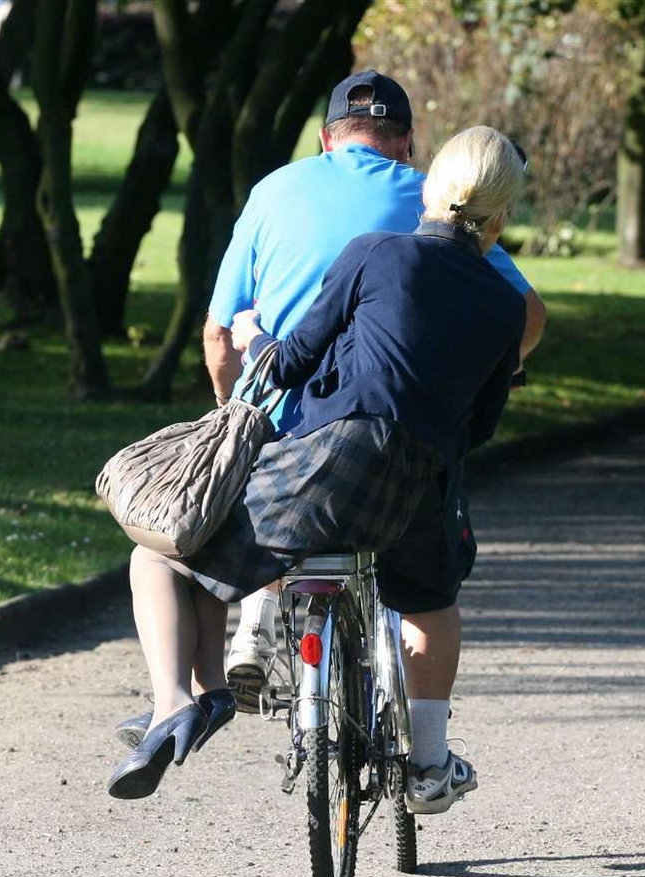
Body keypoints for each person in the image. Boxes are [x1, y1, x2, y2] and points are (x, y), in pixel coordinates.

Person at [107, 125, 527, 813]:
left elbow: (294, 360)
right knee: (430, 602)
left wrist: (253, 337)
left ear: (429, 190)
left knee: (169, 554)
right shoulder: (505, 305)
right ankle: (427, 764)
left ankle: (180, 702)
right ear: (503, 213)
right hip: (419, 489)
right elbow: (479, 428)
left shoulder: (375, 255)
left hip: (324, 469)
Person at [197, 70, 545, 716]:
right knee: (429, 590)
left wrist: (232, 412)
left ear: (326, 139)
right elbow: (528, 314)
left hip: (293, 429)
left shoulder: (273, 191)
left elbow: (221, 334)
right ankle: (428, 753)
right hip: (409, 440)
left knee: (265, 451)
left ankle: (254, 620)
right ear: (409, 145)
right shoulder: (436, 202)